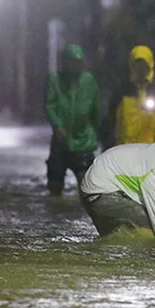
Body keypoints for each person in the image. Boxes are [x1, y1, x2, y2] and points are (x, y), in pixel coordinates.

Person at [45, 44, 102, 196]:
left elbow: (96, 109)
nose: (75, 66)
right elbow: (50, 105)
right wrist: (57, 125)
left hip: (84, 141)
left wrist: (94, 133)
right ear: (64, 62)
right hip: (60, 141)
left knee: (89, 188)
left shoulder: (88, 81)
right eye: (71, 62)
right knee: (54, 183)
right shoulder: (54, 80)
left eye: (78, 62)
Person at [104, 45, 155, 148]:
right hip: (126, 152)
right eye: (137, 64)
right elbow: (111, 122)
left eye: (144, 64)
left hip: (154, 153)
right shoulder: (122, 92)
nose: (141, 68)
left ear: (150, 64)